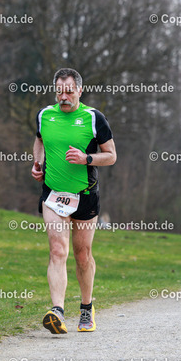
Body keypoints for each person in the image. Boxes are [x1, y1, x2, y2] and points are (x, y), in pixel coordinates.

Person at [31, 68, 117, 334]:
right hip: (53, 195)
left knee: (82, 255)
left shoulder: (93, 118)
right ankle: (57, 311)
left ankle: (86, 307)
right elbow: (39, 140)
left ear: (79, 90)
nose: (63, 96)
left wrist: (86, 158)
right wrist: (37, 163)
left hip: (85, 195)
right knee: (58, 250)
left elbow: (111, 156)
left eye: (69, 91)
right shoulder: (45, 115)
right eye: (59, 91)